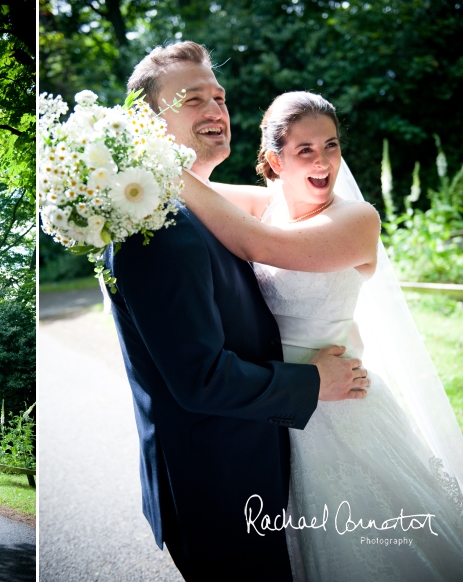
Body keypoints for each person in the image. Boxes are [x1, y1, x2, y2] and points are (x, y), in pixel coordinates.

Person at [104, 42, 370, 581]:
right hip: (220, 483)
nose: (216, 111)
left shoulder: (207, 210)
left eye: (220, 98)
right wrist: (312, 382)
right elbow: (200, 379)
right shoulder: (157, 229)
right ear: (146, 123)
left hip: (265, 458)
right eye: (193, 98)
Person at [180, 90, 463, 580]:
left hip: (340, 408)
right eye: (305, 150)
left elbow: (258, 244)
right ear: (274, 160)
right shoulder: (265, 205)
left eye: (330, 146)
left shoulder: (357, 219)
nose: (323, 161)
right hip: (275, 404)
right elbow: (195, 189)